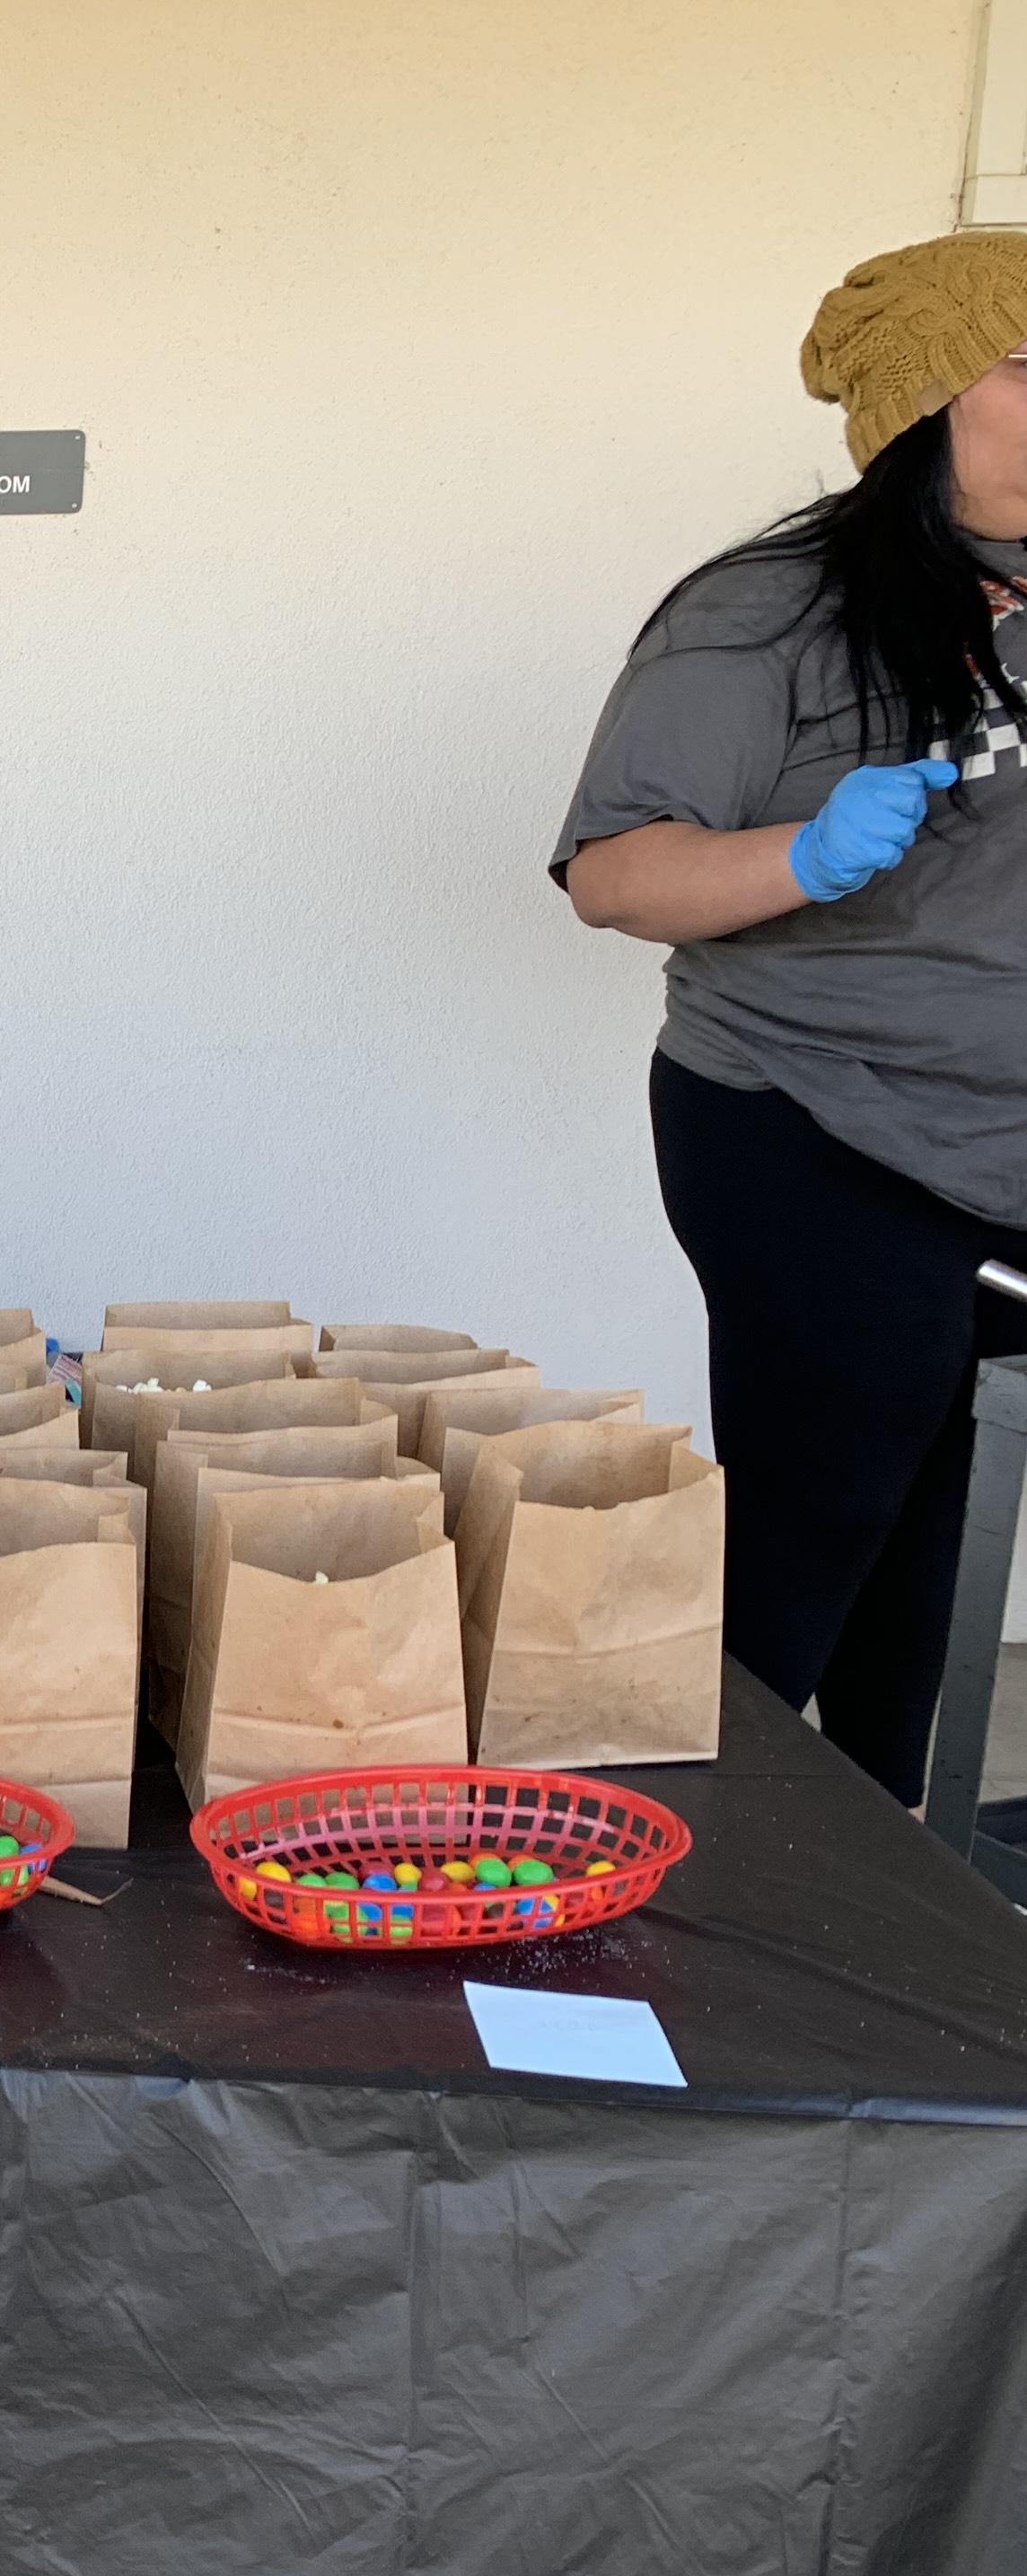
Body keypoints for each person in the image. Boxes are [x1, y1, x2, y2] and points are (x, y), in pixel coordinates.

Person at [558, 232, 1027, 1800]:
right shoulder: (768, 615)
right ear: (923, 404)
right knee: (818, 1525)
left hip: (1004, 1145)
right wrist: (800, 853)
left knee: (948, 1546)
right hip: (807, 1125)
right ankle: (696, 1863)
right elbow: (615, 872)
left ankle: (896, 1875)